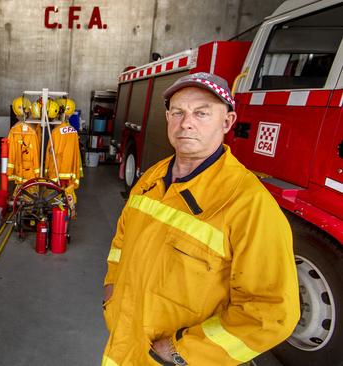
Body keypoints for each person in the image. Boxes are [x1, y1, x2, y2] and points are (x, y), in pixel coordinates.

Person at [101, 72, 300, 366]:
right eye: (178, 112)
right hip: (124, 343)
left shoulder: (250, 205)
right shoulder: (152, 178)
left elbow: (271, 312)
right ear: (168, 118)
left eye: (202, 113)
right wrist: (111, 293)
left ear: (228, 122)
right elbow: (121, 243)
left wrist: (182, 353)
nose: (187, 123)